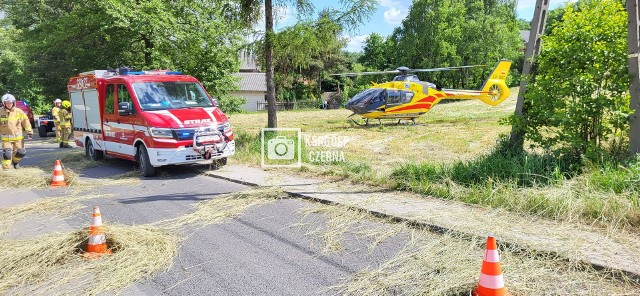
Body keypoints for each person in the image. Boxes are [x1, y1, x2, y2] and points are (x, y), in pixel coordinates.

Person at [0, 93, 33, 170]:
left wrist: (29, 132)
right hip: (6, 138)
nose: (9, 104)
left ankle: (15, 162)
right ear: (4, 103)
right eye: (7, 103)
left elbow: (26, 121)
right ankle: (6, 169)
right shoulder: (0, 112)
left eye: (10, 103)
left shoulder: (19, 111)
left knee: (20, 153)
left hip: (18, 137)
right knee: (7, 154)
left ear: (13, 103)